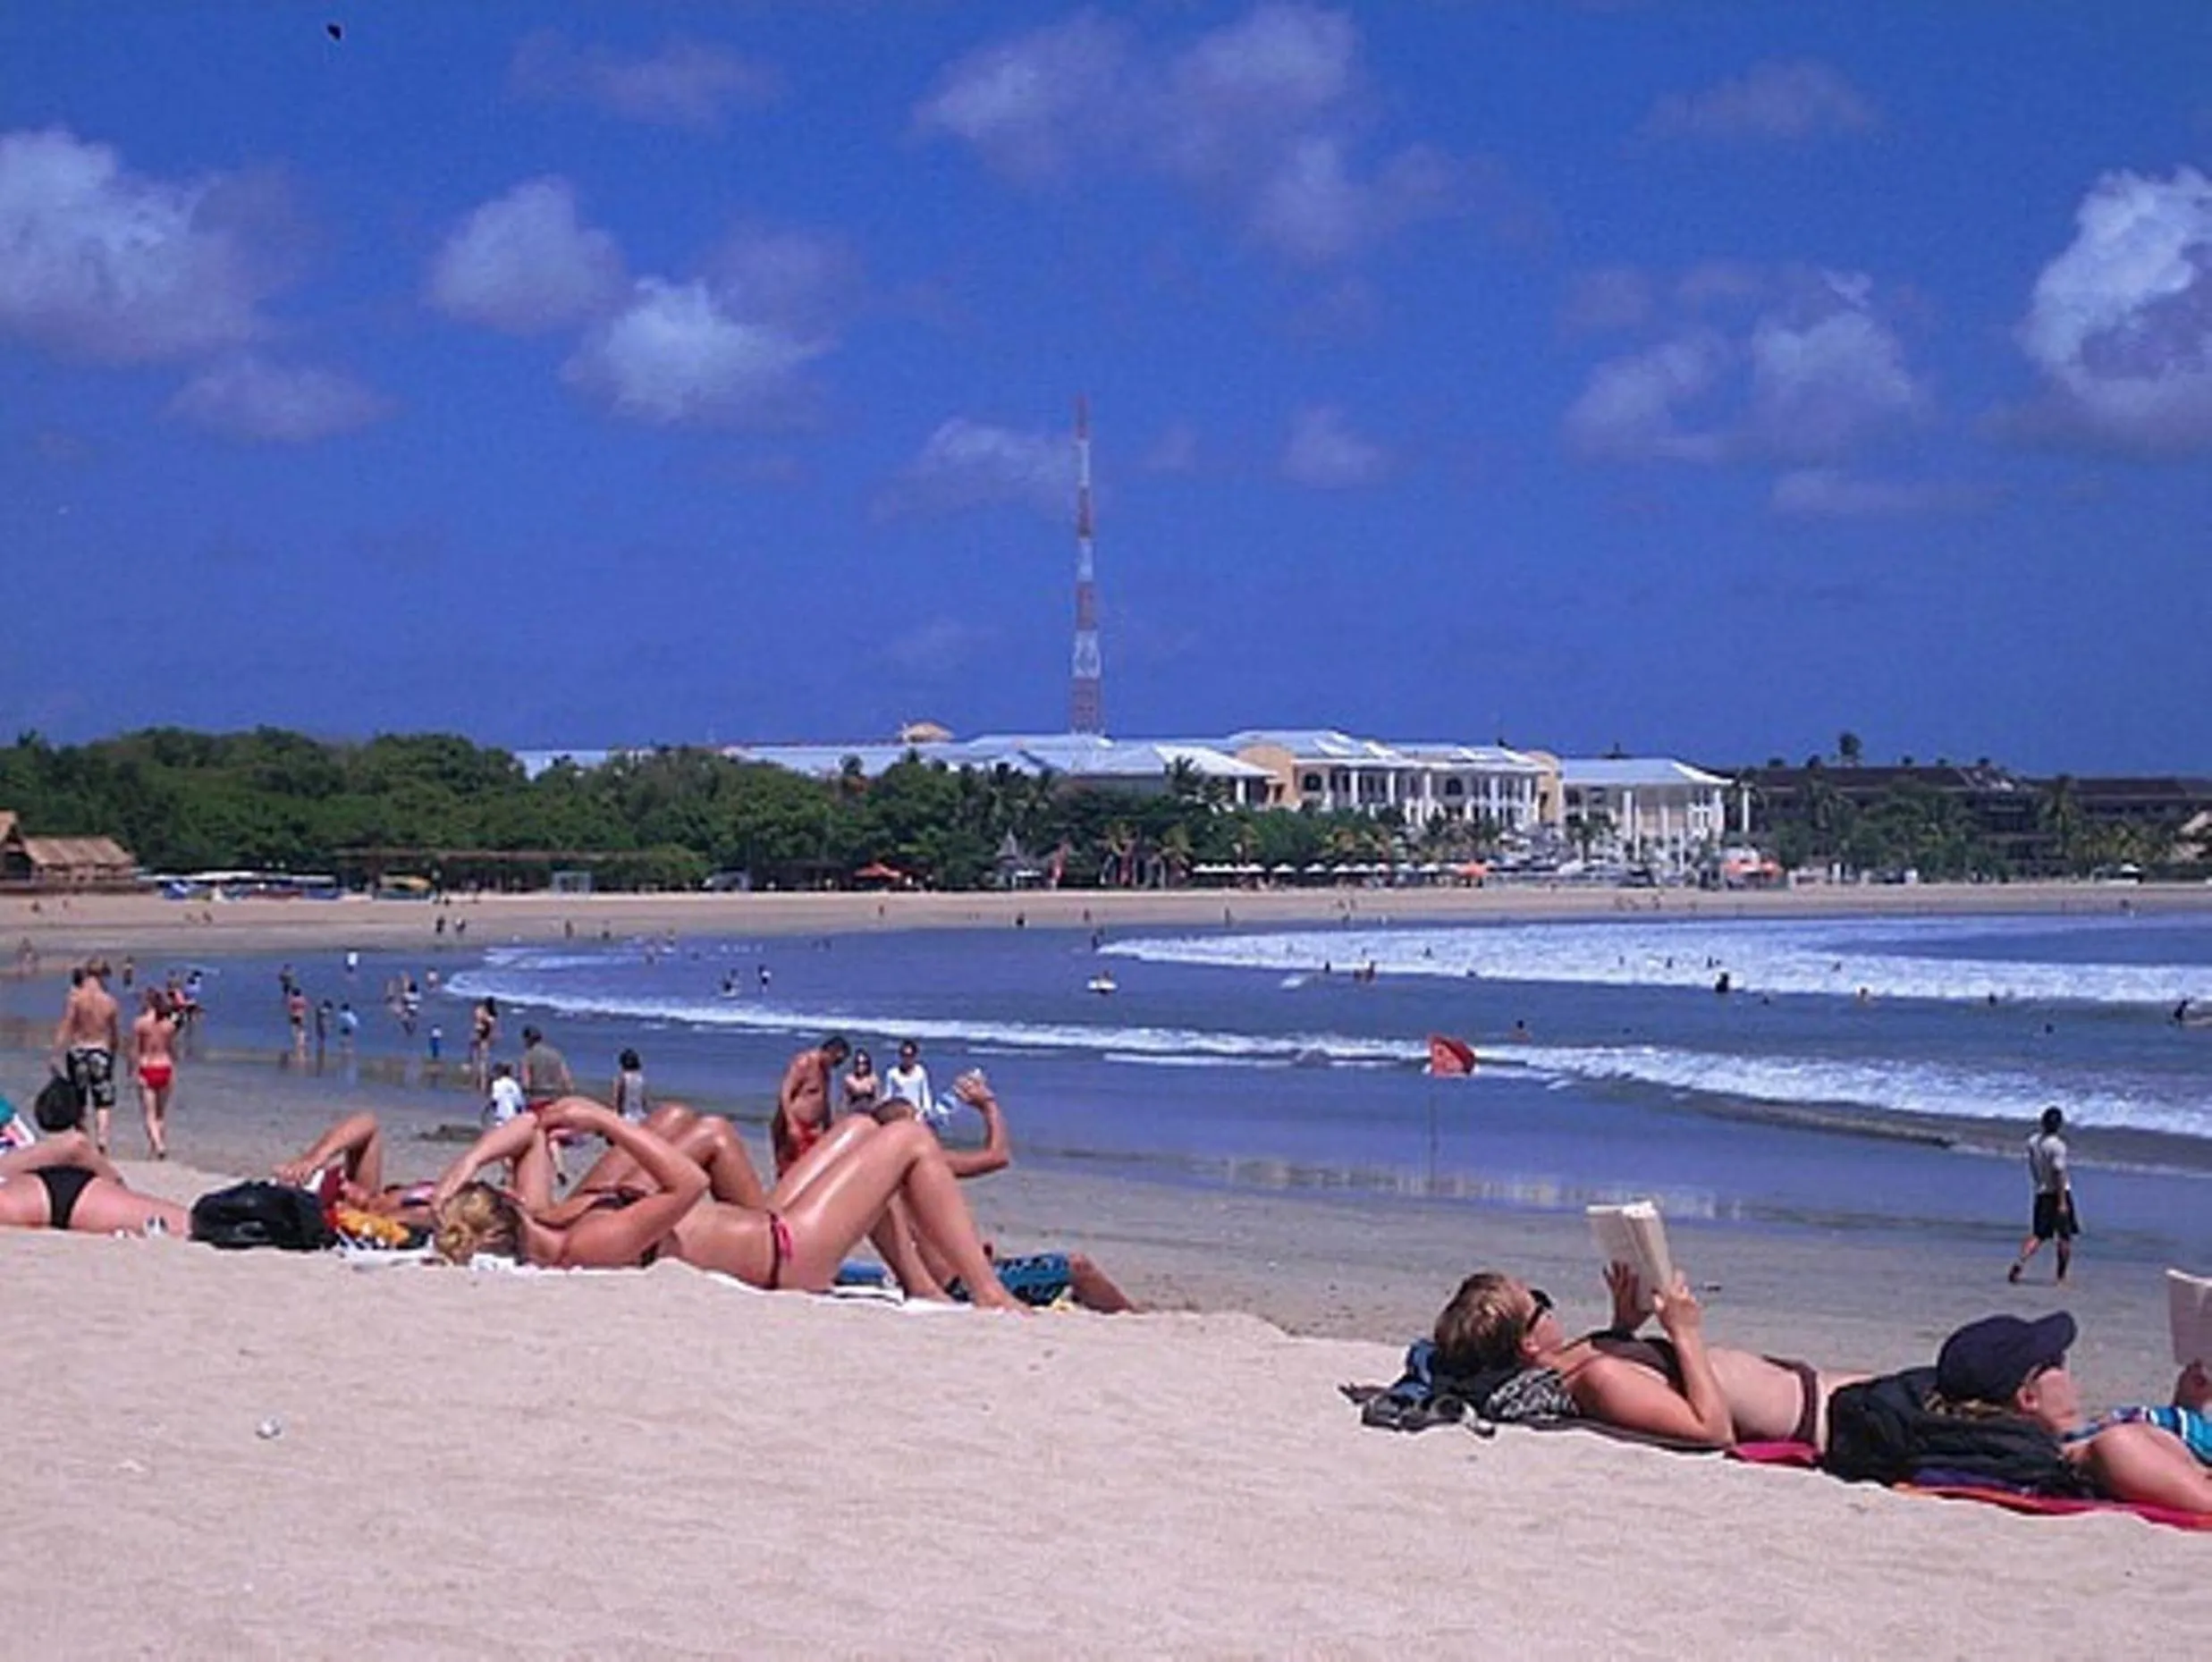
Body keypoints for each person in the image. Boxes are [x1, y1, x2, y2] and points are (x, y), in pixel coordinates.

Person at [426, 1099, 1024, 1310]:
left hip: (771, 1226)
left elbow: (532, 1128)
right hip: (790, 1253)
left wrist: (465, 1162)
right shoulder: (588, 1243)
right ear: (507, 1203)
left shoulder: (548, 1221)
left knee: (860, 1132)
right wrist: (609, 1121)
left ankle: (921, 1285)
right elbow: (686, 1183)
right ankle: (989, 1292)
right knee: (909, 1141)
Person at [1431, 1265, 1866, 1450]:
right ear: (1527, 1345)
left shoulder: (1566, 1361)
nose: (1551, 1308)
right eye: (1541, 1304)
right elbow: (1712, 1430)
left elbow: (1647, 1379)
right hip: (1828, 1417)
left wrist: (1622, 1326)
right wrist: (1684, 1331)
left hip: (1815, 1389)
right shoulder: (1596, 1379)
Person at [1933, 1312, 2212, 1515]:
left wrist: (2188, 1404)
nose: (2067, 1370)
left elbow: (2177, 1465)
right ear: (2029, 1398)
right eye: (2056, 1362)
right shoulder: (2116, 1447)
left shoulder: (2089, 1438)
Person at [0, 1130, 190, 1236]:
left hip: (38, 1191)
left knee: (190, 1224)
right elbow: (75, 1145)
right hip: (38, 1192)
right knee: (190, 1224)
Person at [49, 960, 121, 1154]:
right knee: (103, 1101)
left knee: (79, 1099)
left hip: (79, 1050)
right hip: (100, 1050)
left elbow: (67, 1024)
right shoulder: (109, 1001)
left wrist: (56, 1051)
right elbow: (114, 1033)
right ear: (103, 976)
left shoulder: (76, 998)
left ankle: (83, 1139)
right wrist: (114, 1052)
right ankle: (103, 1140)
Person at [2008, 1106, 2076, 1284]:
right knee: (2064, 1237)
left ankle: (2020, 1261)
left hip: (2042, 1191)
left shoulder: (2033, 1141)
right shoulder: (2058, 1146)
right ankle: (2061, 1276)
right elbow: (2059, 1173)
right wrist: (2062, 1202)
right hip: (2058, 1193)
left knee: (2038, 1234)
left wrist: (2038, 1182)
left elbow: (2033, 1165)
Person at [772, 1034, 849, 1175]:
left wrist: (828, 1126)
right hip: (795, 1124)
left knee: (810, 1170)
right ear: (829, 1051)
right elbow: (785, 1093)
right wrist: (791, 1124)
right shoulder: (804, 1063)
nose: (836, 1066)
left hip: (812, 1128)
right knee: (791, 1171)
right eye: (836, 1061)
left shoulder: (826, 1070)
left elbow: (823, 1099)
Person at [130, 988, 181, 1160]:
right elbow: (173, 1050)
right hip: (165, 1067)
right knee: (160, 1114)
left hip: (147, 1067)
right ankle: (157, 1148)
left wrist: (132, 1069)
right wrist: (174, 1069)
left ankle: (158, 1146)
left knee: (149, 1114)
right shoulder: (169, 1025)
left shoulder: (140, 1023)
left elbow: (135, 1050)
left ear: (147, 1002)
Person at [519, 1025, 575, 1109]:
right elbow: (567, 1080)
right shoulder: (556, 1054)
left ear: (527, 1039)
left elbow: (526, 1083)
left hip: (538, 1099)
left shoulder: (528, 1056)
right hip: (556, 1099)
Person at [883, 1038, 937, 1125]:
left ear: (915, 1056)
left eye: (910, 1055)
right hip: (898, 1113)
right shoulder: (892, 1073)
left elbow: (925, 1094)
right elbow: (888, 1095)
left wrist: (927, 1111)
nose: (907, 1059)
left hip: (916, 1114)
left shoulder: (920, 1072)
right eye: (904, 1055)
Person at [483, 1062, 527, 1127]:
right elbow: (520, 1104)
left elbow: (494, 1100)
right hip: (514, 1120)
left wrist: (486, 1111)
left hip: (501, 1120)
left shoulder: (497, 1083)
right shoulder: (514, 1084)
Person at [612, 1049, 649, 1123]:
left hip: (627, 1116)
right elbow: (643, 1100)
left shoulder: (622, 1078)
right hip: (641, 1115)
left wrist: (615, 1114)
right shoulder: (640, 1078)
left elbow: (618, 1098)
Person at [469, 996, 498, 1088]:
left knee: (476, 1060)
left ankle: (477, 1082)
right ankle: (482, 1083)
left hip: (479, 1036)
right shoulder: (492, 1016)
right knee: (483, 1061)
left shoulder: (482, 1013)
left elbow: (478, 1020)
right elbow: (493, 1029)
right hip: (485, 1039)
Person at [841, 1048, 880, 1113]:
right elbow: (845, 1100)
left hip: (869, 1112)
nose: (861, 1066)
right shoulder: (849, 1079)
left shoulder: (873, 1079)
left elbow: (877, 1099)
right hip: (853, 1112)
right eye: (858, 1063)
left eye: (864, 1063)